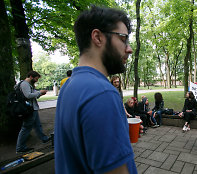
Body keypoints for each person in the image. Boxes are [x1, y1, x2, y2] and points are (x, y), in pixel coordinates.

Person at [54, 6, 137, 174]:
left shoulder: (69, 86)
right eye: (123, 39)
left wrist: (117, 134)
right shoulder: (102, 93)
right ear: (98, 37)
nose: (129, 49)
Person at [16, 71, 50, 153]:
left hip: (33, 109)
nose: (36, 80)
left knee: (37, 125)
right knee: (26, 128)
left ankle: (44, 138)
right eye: (36, 79)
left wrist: (40, 94)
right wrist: (39, 92)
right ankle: (20, 147)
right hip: (29, 109)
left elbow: (31, 95)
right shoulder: (24, 84)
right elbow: (28, 95)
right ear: (31, 76)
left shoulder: (27, 84)